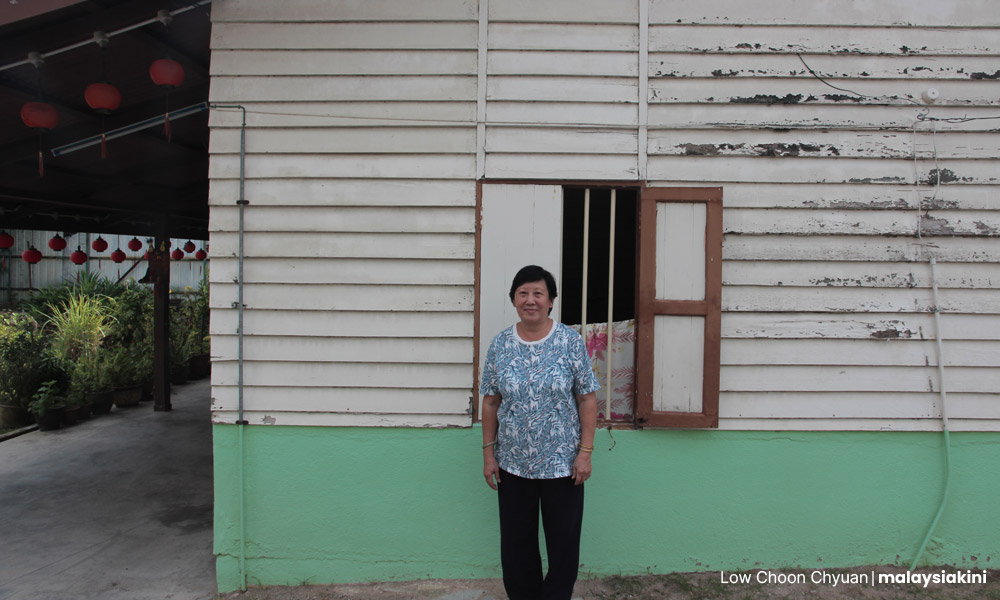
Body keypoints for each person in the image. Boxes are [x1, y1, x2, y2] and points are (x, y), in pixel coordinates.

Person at [480, 264, 600, 600]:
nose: (530, 300)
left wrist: (585, 453)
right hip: (513, 465)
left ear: (550, 301)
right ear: (514, 300)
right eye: (523, 293)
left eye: (538, 293)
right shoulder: (501, 344)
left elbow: (587, 398)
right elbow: (490, 403)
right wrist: (489, 453)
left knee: (563, 544)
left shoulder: (569, 342)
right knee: (516, 545)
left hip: (563, 465)